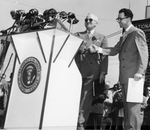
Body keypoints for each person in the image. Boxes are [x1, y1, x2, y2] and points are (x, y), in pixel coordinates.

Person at [88, 8, 149, 130]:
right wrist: (99, 49)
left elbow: (144, 54)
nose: (118, 21)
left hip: (134, 78)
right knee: (127, 111)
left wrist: (140, 72)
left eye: (120, 19)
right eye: (118, 19)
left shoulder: (137, 32)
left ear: (128, 19)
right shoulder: (124, 36)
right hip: (125, 78)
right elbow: (115, 50)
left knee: (133, 112)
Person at [74, 13, 108, 130]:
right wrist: (83, 47)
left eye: (91, 20)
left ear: (96, 23)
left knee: (85, 101)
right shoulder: (77, 35)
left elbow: (104, 56)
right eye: (86, 19)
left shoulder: (102, 38)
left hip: (91, 74)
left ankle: (80, 126)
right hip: (76, 72)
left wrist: (103, 72)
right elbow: (71, 46)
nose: (88, 21)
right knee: (74, 98)